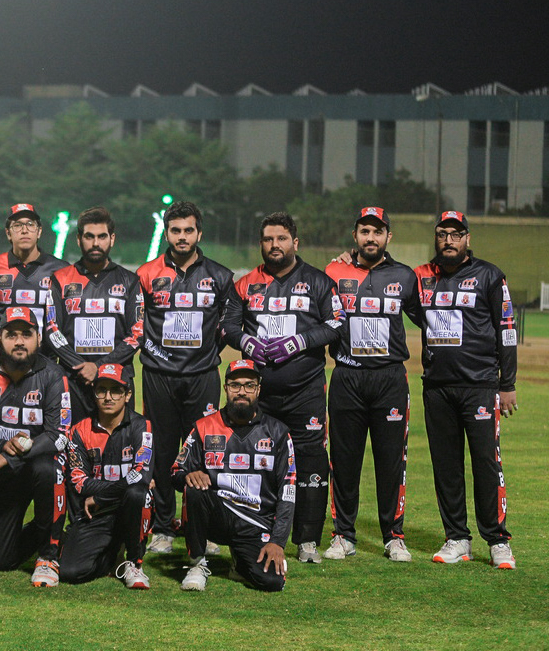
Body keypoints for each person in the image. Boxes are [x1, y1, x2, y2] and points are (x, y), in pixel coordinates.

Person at [220, 211, 344, 563]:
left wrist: (299, 341)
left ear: (295, 242)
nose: (275, 245)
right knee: (255, 462)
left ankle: (307, 541)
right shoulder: (245, 284)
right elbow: (228, 325)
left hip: (306, 392)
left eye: (282, 239)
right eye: (268, 239)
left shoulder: (318, 281)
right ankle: (255, 531)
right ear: (261, 243)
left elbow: (336, 323)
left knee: (311, 462)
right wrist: (247, 341)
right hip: (258, 395)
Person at [414, 211, 517, 569]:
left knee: (486, 463)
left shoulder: (490, 275)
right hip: (437, 387)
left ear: (467, 239)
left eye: (456, 234)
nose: (449, 240)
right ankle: (457, 538)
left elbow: (506, 329)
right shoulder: (421, 276)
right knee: (446, 466)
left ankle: (497, 540)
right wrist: (352, 259)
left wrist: (507, 384)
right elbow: (388, 281)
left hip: (480, 386)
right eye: (443, 233)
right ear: (436, 237)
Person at [135, 200, 235, 555]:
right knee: (162, 451)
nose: (182, 236)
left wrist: (205, 355)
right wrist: (161, 357)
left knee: (205, 453)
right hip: (159, 376)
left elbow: (228, 325)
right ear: (167, 233)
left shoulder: (220, 276)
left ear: (199, 233)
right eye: (175, 230)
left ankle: (201, 528)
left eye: (188, 230)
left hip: (202, 377)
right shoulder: (146, 274)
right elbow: (138, 325)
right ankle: (164, 527)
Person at [322, 207, 421, 562]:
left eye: (378, 232)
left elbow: (427, 318)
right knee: (344, 461)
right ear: (355, 235)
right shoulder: (333, 272)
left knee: (391, 462)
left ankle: (394, 537)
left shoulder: (405, 276)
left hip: (389, 379)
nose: (371, 237)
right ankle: (343, 535)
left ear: (388, 237)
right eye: (365, 231)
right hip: (347, 376)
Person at [0, 306, 71, 587]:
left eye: (26, 334)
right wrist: (0, 448)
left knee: (48, 469)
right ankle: (50, 530)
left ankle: (48, 554)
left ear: (38, 338)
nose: (19, 341)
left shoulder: (53, 374)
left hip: (35, 468)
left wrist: (6, 458)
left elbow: (59, 435)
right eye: (11, 335)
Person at [173, 359, 295, 592]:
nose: (242, 391)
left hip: (256, 522)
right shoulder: (204, 427)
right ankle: (197, 563)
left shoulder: (278, 432)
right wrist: (189, 474)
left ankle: (240, 562)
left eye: (249, 385)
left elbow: (288, 491)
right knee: (194, 489)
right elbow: (176, 471)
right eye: (235, 385)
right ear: (226, 389)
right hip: (217, 516)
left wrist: (278, 541)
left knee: (271, 582)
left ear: (258, 389)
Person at [59, 363, 154, 589]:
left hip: (127, 508)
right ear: (94, 394)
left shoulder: (142, 426)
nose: (108, 397)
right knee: (70, 572)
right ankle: (113, 554)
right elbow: (79, 483)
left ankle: (134, 562)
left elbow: (141, 476)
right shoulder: (79, 430)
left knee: (138, 493)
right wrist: (124, 486)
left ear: (127, 395)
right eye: (102, 390)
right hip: (95, 514)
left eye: (116, 391)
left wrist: (101, 496)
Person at [45, 206, 142, 421]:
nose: (96, 243)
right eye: (89, 236)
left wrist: (98, 367)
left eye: (102, 236)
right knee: (71, 440)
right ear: (79, 239)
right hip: (73, 380)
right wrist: (81, 366)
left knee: (118, 440)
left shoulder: (130, 281)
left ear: (112, 239)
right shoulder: (60, 279)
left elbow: (137, 333)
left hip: (117, 382)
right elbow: (52, 329)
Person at [0, 203, 66, 349]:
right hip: (1, 356)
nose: (24, 230)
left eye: (30, 224)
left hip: (44, 357)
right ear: (8, 233)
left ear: (39, 232)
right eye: (17, 225)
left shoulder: (60, 269)